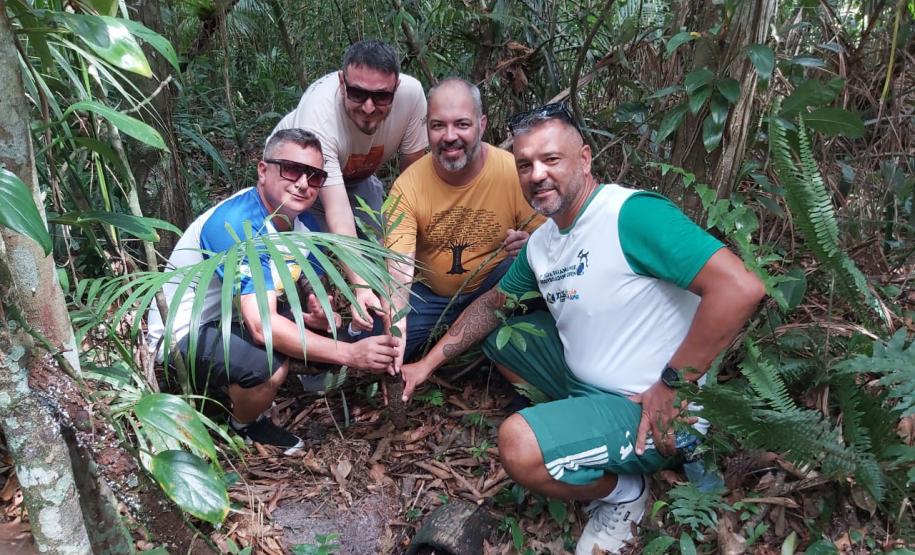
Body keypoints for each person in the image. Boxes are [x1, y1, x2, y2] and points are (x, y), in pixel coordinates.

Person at [400, 104, 765, 553]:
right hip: (585, 380)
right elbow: (495, 303)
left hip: (647, 404)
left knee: (518, 445)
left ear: (585, 159)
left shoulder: (629, 215)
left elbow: (740, 288)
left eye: (551, 160)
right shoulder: (543, 242)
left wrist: (675, 384)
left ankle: (623, 493)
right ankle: (578, 428)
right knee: (503, 340)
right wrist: (426, 364)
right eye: (525, 164)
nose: (537, 174)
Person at [147, 129, 400, 455]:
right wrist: (350, 355)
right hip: (183, 334)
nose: (303, 183)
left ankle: (257, 385)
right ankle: (245, 425)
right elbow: (261, 326)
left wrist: (320, 315)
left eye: (315, 175)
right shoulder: (237, 224)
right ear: (263, 170)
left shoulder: (303, 223)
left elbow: (305, 288)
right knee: (268, 365)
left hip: (234, 314)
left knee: (345, 329)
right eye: (291, 169)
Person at [385, 78, 543, 369]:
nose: (449, 136)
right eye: (438, 126)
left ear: (482, 125)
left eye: (462, 124)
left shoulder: (511, 172)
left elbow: (554, 243)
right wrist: (396, 328)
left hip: (492, 287)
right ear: (427, 129)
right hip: (429, 295)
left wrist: (530, 245)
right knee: (377, 346)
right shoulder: (407, 187)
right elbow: (398, 269)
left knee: (527, 268)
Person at [272, 39, 428, 333]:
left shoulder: (412, 94)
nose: (369, 107)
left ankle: (384, 331)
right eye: (357, 93)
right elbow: (339, 215)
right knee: (308, 266)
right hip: (298, 181)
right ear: (342, 82)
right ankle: (308, 353)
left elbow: (413, 181)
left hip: (357, 178)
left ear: (396, 88)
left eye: (381, 97)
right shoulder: (319, 116)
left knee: (386, 251)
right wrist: (361, 285)